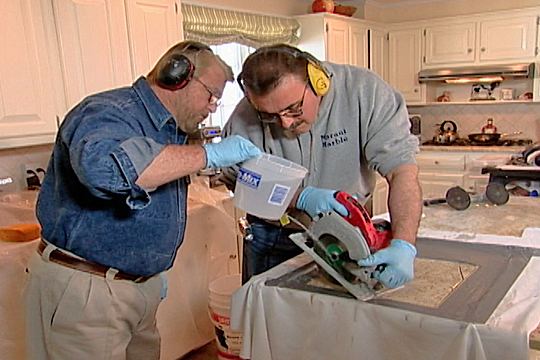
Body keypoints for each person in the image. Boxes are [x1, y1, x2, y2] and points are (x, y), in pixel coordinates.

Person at [25, 41, 261, 360]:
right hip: (89, 290)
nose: (213, 106)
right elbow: (103, 170)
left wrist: (146, 274)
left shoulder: (169, 130)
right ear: (177, 75)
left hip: (137, 288)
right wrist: (208, 154)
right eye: (211, 94)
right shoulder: (108, 112)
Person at [221, 44, 422, 288]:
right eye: (270, 115)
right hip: (274, 236)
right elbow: (239, 180)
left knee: (342, 319)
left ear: (319, 81)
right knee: (273, 320)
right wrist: (299, 198)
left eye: (293, 109)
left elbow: (402, 172)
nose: (285, 124)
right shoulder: (245, 116)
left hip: (347, 235)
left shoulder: (365, 93)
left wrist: (404, 243)